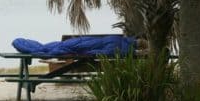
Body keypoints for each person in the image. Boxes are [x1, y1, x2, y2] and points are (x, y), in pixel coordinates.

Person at [12, 35, 149, 57]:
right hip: (80, 46)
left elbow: (96, 51)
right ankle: (25, 44)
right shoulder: (121, 49)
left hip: (80, 42)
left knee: (51, 47)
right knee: (48, 49)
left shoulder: (120, 40)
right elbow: (96, 53)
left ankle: (23, 43)